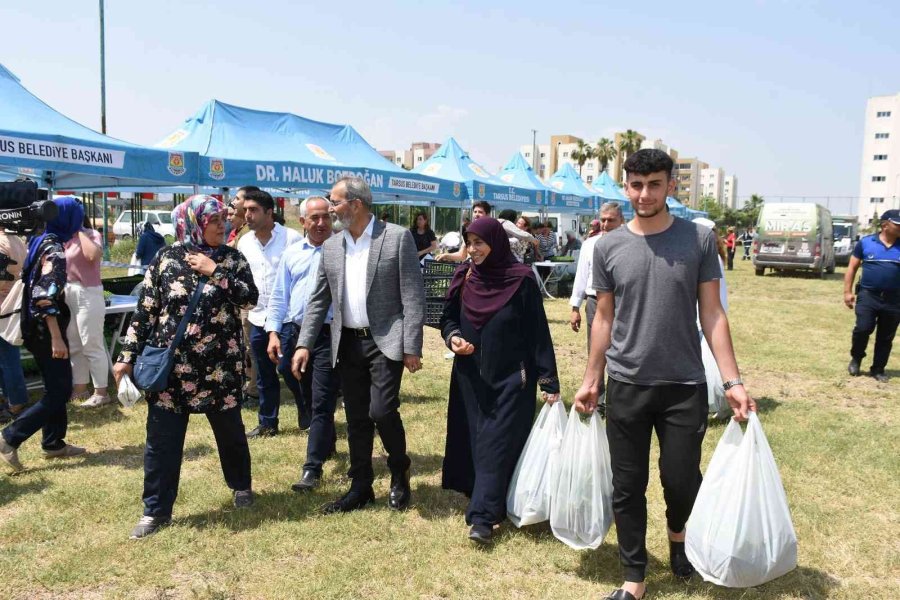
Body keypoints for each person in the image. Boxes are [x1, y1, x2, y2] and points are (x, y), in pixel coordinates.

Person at [573, 149, 754, 600]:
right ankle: (634, 577)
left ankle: (678, 536)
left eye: (654, 184)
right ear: (626, 186)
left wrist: (732, 382)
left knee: (681, 479)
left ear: (671, 185)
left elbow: (712, 314)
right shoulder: (607, 246)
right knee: (627, 484)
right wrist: (592, 378)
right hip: (628, 383)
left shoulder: (698, 239)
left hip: (683, 385)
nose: (644, 193)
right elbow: (603, 319)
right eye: (636, 184)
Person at [113, 195, 258, 539]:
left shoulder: (233, 258)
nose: (222, 225)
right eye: (213, 221)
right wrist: (126, 356)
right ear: (193, 222)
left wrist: (216, 272)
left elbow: (250, 298)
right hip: (172, 370)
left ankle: (241, 486)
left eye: (223, 219)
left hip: (220, 368)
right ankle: (156, 511)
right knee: (161, 441)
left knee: (231, 434)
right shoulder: (166, 259)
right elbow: (145, 312)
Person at [292, 175, 425, 514]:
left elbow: (412, 296)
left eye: (335, 201)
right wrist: (304, 344)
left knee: (381, 410)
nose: (331, 207)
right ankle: (361, 486)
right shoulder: (332, 246)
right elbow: (319, 300)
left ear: (356, 204)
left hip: (385, 341)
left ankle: (399, 471)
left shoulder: (396, 238)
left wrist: (412, 346)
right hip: (346, 343)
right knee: (355, 418)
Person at [440, 218, 559, 545]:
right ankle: (488, 496)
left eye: (480, 242)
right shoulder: (463, 276)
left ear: (497, 242)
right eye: (470, 242)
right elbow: (447, 318)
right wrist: (453, 338)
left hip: (512, 379)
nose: (474, 249)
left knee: (495, 442)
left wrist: (548, 379)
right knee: (476, 440)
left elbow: (538, 333)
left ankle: (483, 518)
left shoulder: (520, 280)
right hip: (469, 377)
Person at [0, 197, 87, 473]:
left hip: (33, 326)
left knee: (55, 384)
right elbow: (44, 295)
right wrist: (56, 337)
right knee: (61, 389)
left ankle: (53, 443)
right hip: (45, 328)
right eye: (78, 217)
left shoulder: (39, 240)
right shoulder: (55, 248)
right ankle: (9, 437)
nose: (80, 223)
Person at [265, 197, 340, 491]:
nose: (321, 224)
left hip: (327, 334)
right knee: (293, 377)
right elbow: (279, 295)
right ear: (303, 222)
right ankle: (325, 436)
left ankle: (312, 468)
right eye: (315, 218)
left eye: (326, 217)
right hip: (294, 332)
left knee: (321, 400)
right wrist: (273, 332)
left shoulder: (341, 251)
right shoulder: (292, 253)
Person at [238, 190, 303, 437]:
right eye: (246, 210)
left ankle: (306, 410)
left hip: (286, 317)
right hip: (257, 316)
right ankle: (268, 423)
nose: (248, 215)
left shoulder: (292, 239)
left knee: (288, 367)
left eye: (253, 210)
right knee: (263, 372)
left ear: (269, 212)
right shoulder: (244, 242)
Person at [843, 209, 900, 383]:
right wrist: (847, 292)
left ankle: (878, 369)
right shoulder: (866, 243)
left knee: (886, 336)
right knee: (863, 328)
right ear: (885, 225)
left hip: (894, 299)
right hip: (868, 296)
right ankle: (856, 358)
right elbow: (852, 267)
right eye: (897, 224)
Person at [64, 217, 110, 408]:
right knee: (75, 344)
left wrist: (80, 231)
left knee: (92, 343)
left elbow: (93, 255)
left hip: (88, 292)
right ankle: (80, 388)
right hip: (69, 292)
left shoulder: (92, 235)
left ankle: (101, 392)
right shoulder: (63, 238)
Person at [570, 202, 625, 349]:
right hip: (595, 302)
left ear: (622, 220)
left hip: (623, 303)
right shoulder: (589, 244)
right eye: (603, 220)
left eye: (611, 220)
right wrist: (575, 308)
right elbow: (581, 276)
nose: (606, 224)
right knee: (596, 350)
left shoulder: (631, 244)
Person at [229, 186, 258, 405]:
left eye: (237, 199)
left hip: (250, 298)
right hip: (242, 297)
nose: (233, 202)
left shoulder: (249, 234)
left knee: (252, 345)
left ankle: (255, 390)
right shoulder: (242, 231)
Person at [0, 229, 29, 422]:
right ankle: (14, 399)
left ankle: (16, 403)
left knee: (7, 359)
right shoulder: (17, 240)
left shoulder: (2, 243)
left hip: (3, 301)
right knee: (8, 356)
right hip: (13, 302)